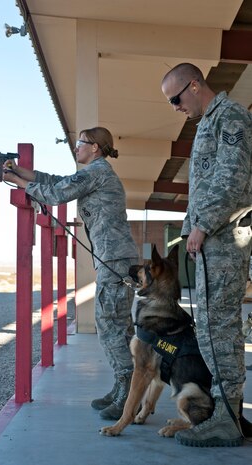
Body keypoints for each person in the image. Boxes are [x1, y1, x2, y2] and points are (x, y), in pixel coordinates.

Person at [2, 126, 139, 420]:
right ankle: (123, 389)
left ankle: (128, 395)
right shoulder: (95, 172)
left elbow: (56, 193)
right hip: (115, 258)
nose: (76, 147)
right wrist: (23, 172)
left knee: (111, 328)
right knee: (120, 327)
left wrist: (17, 181)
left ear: (96, 148)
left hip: (114, 261)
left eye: (81, 143)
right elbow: (58, 181)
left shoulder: (97, 171)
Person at [161, 63, 252, 447]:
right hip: (212, 241)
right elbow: (205, 186)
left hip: (224, 240)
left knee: (220, 330)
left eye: (176, 98)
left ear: (194, 85)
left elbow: (232, 180)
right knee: (214, 330)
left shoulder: (228, 117)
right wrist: (190, 231)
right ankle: (225, 412)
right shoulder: (207, 124)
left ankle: (228, 419)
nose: (175, 107)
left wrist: (201, 226)